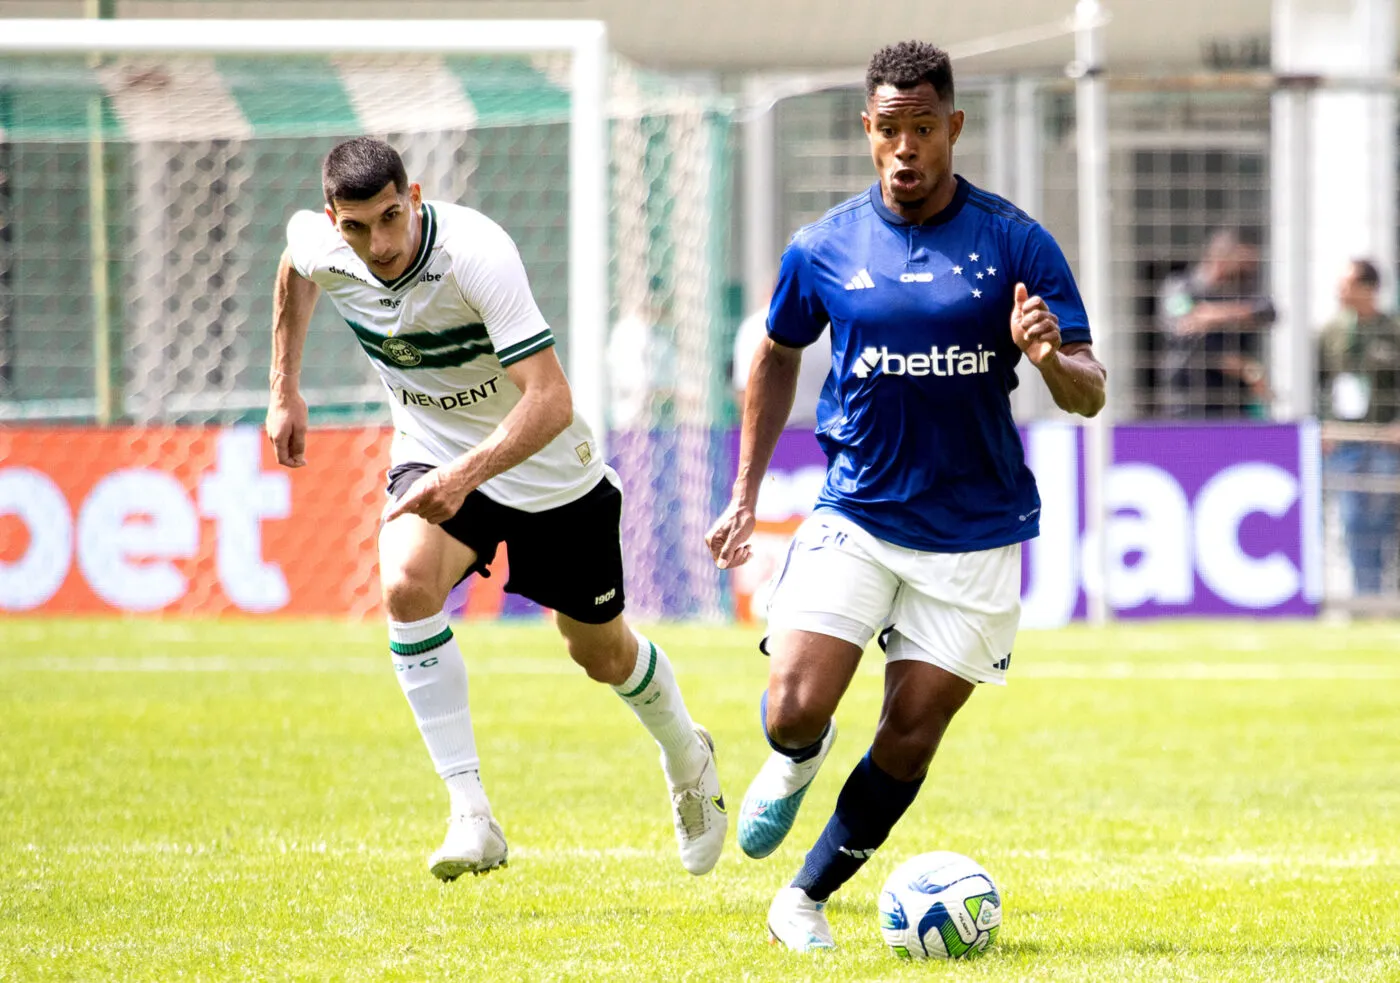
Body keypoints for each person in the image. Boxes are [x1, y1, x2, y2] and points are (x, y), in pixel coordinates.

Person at [705, 41, 1106, 952]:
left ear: (952, 127)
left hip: (973, 530)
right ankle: (796, 758)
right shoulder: (823, 247)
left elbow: (1091, 389)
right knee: (792, 707)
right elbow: (775, 352)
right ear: (868, 131)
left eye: (923, 128)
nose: (906, 149)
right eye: (889, 130)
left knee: (911, 730)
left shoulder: (1013, 242)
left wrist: (1049, 360)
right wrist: (744, 491)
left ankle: (801, 899)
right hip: (859, 512)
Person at [265, 137, 726, 882]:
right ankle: (471, 813)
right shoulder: (324, 242)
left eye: (390, 218)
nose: (378, 244)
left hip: (547, 468)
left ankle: (686, 752)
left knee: (599, 653)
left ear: (413, 197)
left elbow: (550, 401)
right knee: (406, 583)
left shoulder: (476, 252)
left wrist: (465, 475)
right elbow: (294, 268)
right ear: (334, 220)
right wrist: (283, 386)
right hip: (432, 447)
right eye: (357, 227)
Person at [1317, 258, 1400, 597]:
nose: (1341, 291)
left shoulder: (1392, 331)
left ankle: (1384, 595)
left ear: (1369, 288)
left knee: (1383, 521)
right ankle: (1365, 598)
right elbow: (1320, 385)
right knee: (1352, 521)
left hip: (1384, 441)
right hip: (1346, 442)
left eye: (1348, 283)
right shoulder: (1332, 333)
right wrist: (1323, 426)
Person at [1159, 230, 1275, 418]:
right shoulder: (1181, 286)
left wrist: (1214, 314)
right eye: (1243, 264)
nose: (1249, 271)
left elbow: (1267, 310)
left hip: (1234, 403)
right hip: (1187, 402)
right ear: (1222, 258)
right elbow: (1182, 326)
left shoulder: (1239, 291)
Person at [733, 301, 832, 430]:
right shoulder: (837, 324)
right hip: (826, 434)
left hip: (775, 437)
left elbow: (746, 400)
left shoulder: (754, 326)